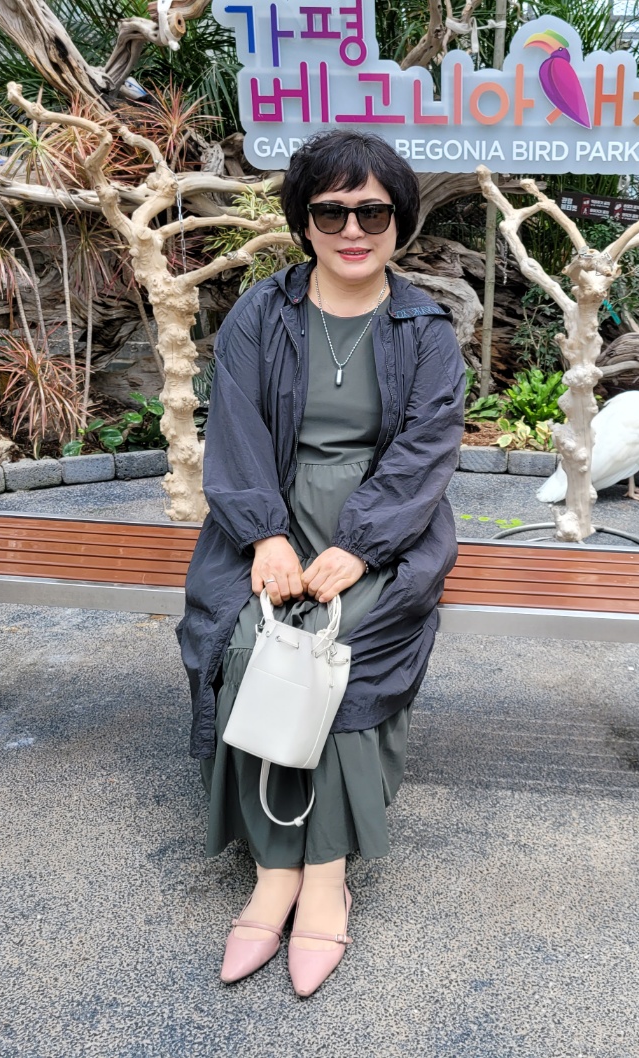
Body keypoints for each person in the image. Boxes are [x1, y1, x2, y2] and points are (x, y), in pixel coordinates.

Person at [177, 129, 465, 998]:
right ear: (302, 221)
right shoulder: (260, 316)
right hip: (268, 511)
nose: (351, 229)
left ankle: (326, 874)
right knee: (248, 641)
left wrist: (359, 546)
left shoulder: (424, 329)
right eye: (329, 211)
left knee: (339, 651)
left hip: (386, 524)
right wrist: (265, 535)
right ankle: (275, 869)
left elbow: (424, 453)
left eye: (371, 212)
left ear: (399, 221)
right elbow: (233, 432)